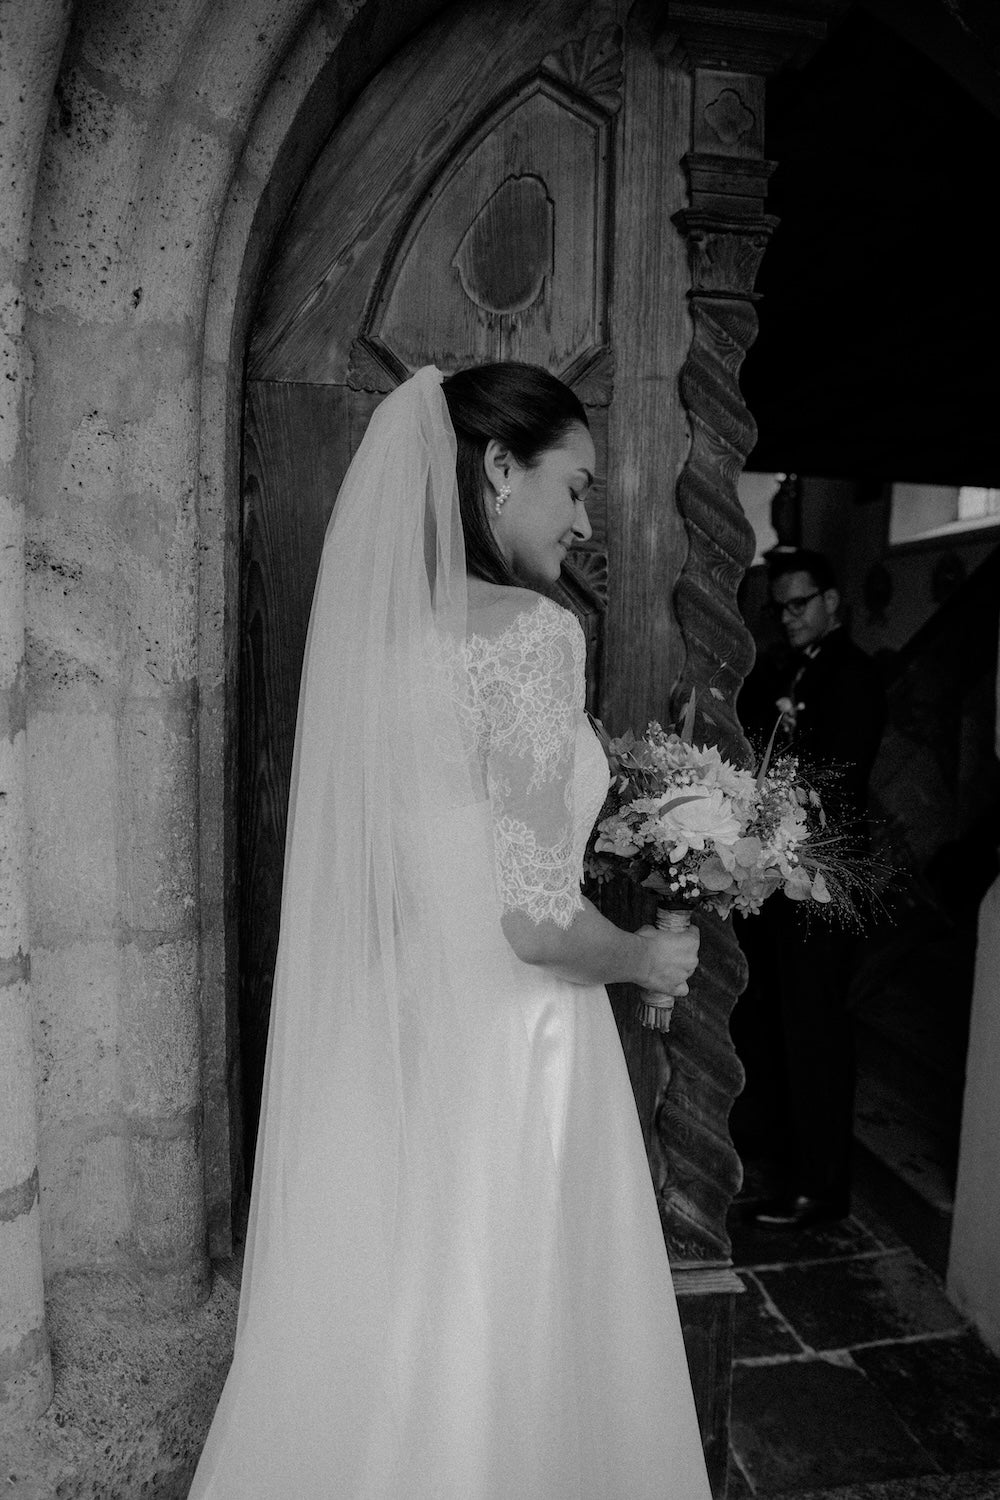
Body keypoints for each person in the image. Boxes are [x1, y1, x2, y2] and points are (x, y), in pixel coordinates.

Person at [189, 364, 711, 1498]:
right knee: (507, 1334)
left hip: (396, 1041)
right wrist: (642, 957)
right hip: (511, 1051)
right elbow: (529, 920)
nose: (583, 522)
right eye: (572, 488)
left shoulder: (376, 647)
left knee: (401, 1326)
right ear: (495, 467)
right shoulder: (528, 635)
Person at [734, 548, 885, 1231]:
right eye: (779, 607)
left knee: (816, 1030)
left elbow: (838, 778)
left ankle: (820, 1188)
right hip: (782, 875)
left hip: (824, 877)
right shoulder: (784, 670)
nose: (788, 616)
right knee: (776, 1018)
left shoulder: (853, 676)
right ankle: (778, 1153)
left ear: (832, 601)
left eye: (800, 603)